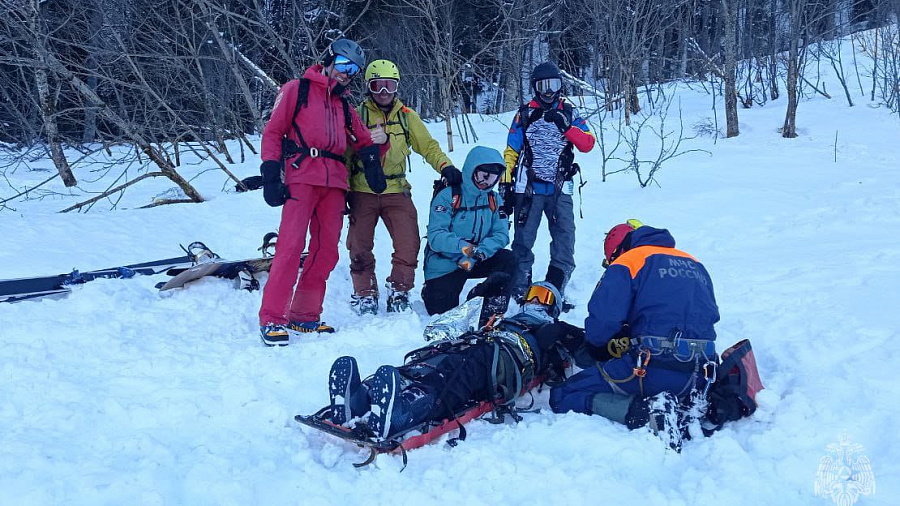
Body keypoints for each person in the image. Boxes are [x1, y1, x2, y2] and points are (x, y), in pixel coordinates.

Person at [324, 282, 584, 438]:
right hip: (480, 340)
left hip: (507, 358)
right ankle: (362, 398)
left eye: (545, 297)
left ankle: (406, 412)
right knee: (433, 359)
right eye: (534, 294)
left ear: (554, 308)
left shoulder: (559, 329)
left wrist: (560, 337)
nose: (537, 301)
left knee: (463, 371)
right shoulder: (509, 318)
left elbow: (586, 351)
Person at [549, 220, 720, 450]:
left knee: (564, 393)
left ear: (617, 251)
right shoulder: (694, 263)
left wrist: (599, 349)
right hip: (701, 374)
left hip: (651, 366)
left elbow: (601, 324)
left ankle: (645, 411)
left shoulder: (628, 262)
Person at [257, 39, 385, 346]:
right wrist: (271, 173)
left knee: (326, 251)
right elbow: (274, 131)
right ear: (328, 60)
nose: (346, 73)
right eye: (342, 65)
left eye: (353, 70)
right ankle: (272, 317)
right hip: (302, 176)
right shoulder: (297, 89)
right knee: (290, 247)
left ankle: (304, 314)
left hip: (335, 184)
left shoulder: (344, 105)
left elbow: (363, 140)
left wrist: (372, 161)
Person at [346, 59, 462, 315]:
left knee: (408, 241)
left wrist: (445, 166)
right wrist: (341, 189)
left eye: (389, 86)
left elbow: (428, 146)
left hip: (395, 187)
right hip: (363, 187)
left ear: (397, 87)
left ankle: (399, 289)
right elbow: (344, 153)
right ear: (369, 88)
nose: (384, 93)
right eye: (378, 86)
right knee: (359, 244)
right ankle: (364, 291)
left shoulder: (407, 117)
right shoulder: (357, 115)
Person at [500, 61, 595, 299]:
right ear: (535, 88)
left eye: (554, 85)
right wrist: (505, 181)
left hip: (560, 187)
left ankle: (556, 286)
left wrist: (566, 126)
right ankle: (520, 288)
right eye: (543, 86)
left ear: (561, 86)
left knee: (564, 238)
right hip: (529, 188)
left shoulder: (570, 112)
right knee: (523, 240)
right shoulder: (524, 114)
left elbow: (588, 144)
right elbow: (511, 150)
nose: (549, 91)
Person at [421, 146, 515, 318]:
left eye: (492, 177)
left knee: (508, 260)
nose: (486, 182)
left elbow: (501, 234)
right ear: (471, 171)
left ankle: (492, 311)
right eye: (482, 176)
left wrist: (481, 251)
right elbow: (436, 236)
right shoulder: (448, 196)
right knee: (442, 314)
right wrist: (465, 247)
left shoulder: (494, 199)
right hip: (446, 263)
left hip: (474, 258)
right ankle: (432, 291)